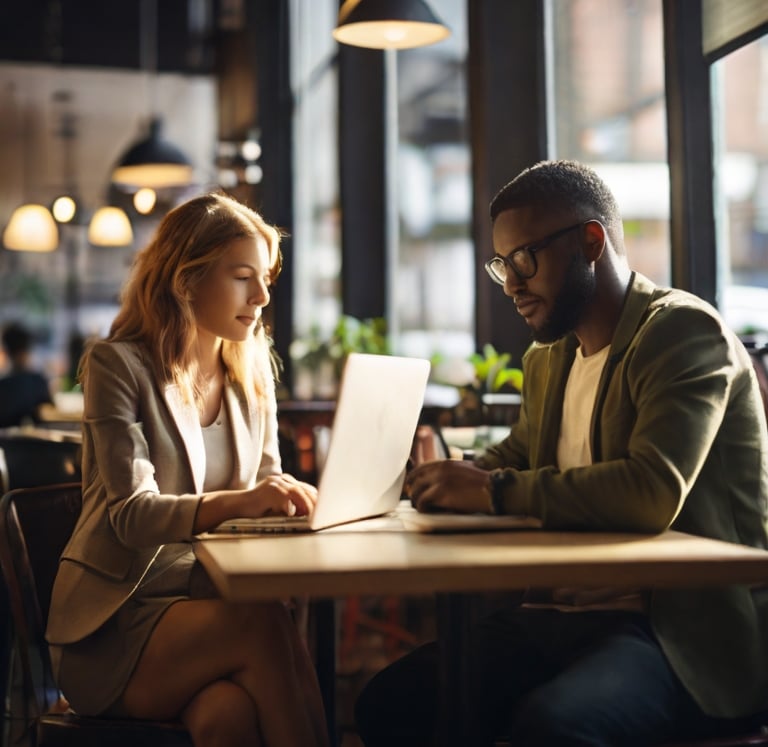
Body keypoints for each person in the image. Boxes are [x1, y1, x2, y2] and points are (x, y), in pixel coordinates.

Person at [354, 160, 768, 746]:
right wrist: (442, 477)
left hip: (679, 632)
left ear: (591, 241)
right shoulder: (549, 359)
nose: (512, 284)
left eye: (524, 259)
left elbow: (653, 491)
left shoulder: (679, 332)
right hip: (563, 615)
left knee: (553, 728)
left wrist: (491, 491)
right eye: (502, 266)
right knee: (392, 702)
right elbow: (520, 455)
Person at [46, 192, 329, 747]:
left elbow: (265, 490)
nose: (263, 295)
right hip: (118, 623)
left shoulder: (250, 371)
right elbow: (131, 516)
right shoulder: (117, 365)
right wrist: (242, 502)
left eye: (265, 277)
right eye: (243, 276)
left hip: (208, 604)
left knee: (227, 716)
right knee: (264, 623)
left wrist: (293, 503)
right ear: (185, 280)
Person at [0, 321, 53, 427]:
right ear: (27, 349)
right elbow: (50, 413)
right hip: (38, 441)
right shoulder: (37, 381)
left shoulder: (3, 385)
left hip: (5, 442)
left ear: (6, 351)